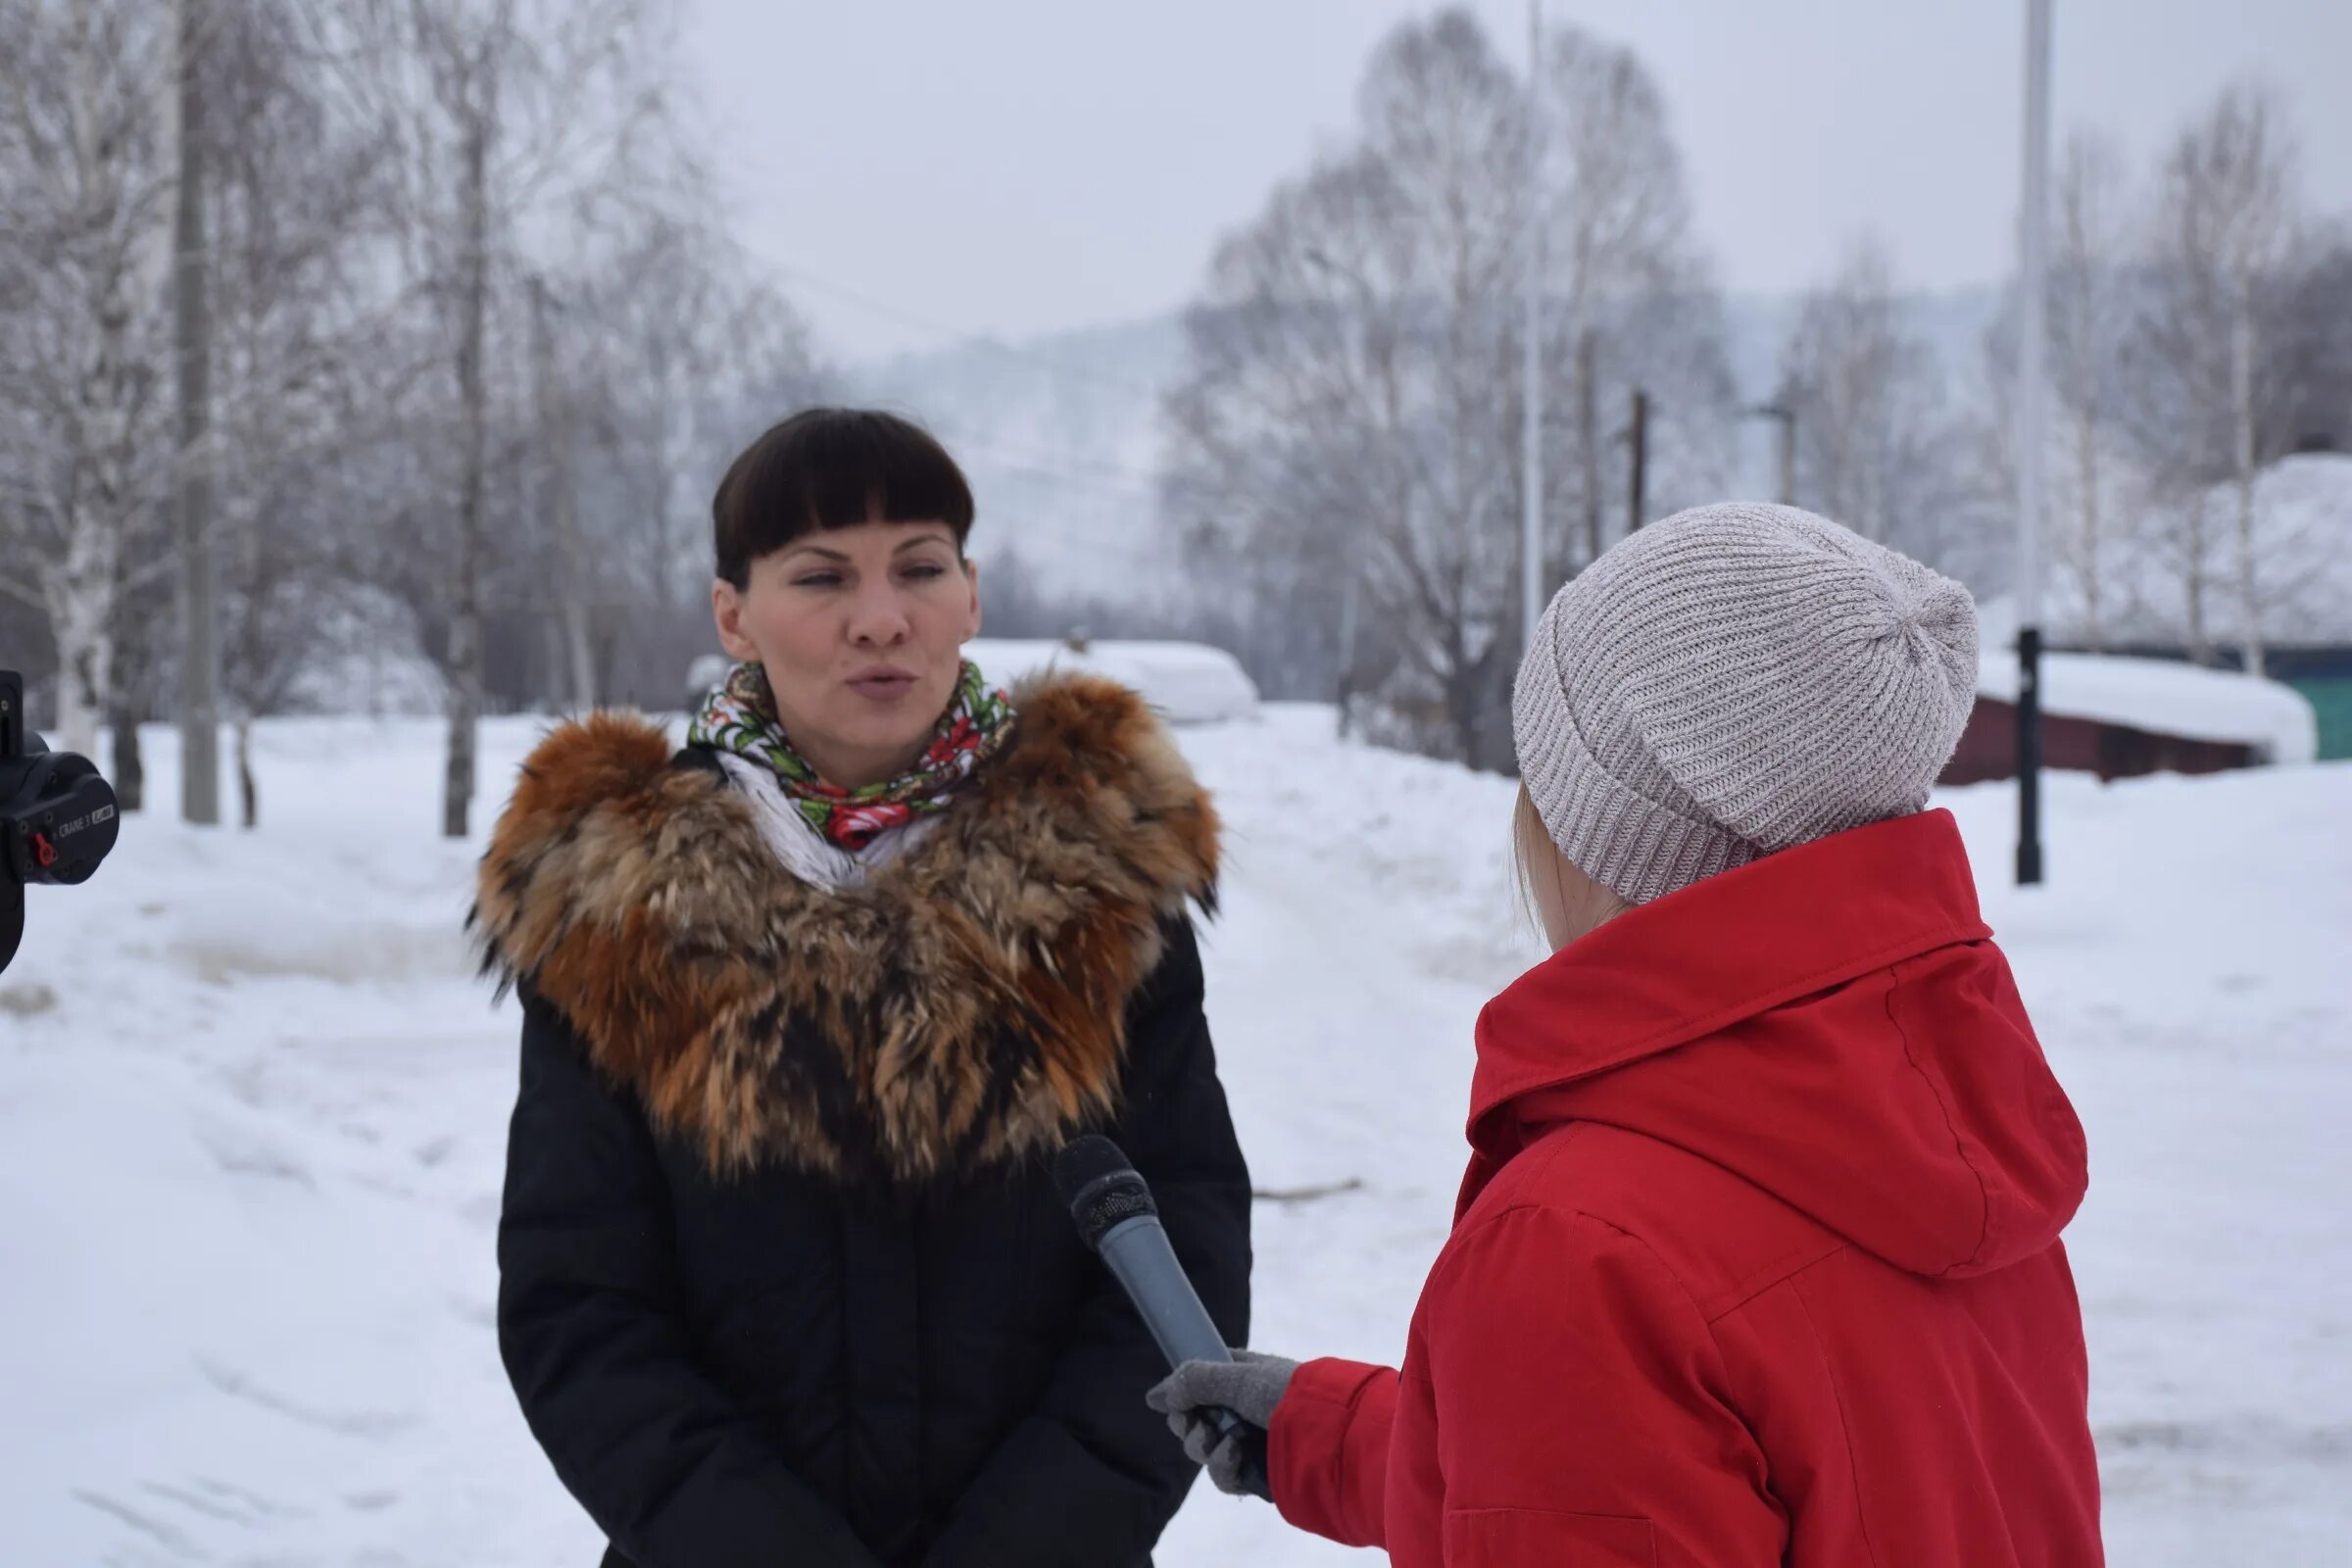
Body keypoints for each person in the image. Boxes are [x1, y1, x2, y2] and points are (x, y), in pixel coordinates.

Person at [1152, 503, 2103, 1566]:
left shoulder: (1582, 1247)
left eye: (1541, 776)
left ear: (1607, 829)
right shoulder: (1954, 1143)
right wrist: (1327, 1434)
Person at [475, 408, 1250, 1568]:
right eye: (822, 575)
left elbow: (1179, 1264)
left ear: (973, 596)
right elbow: (579, 1308)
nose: (881, 618)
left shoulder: (1102, 870)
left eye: (921, 568)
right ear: (734, 613)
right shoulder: (615, 899)